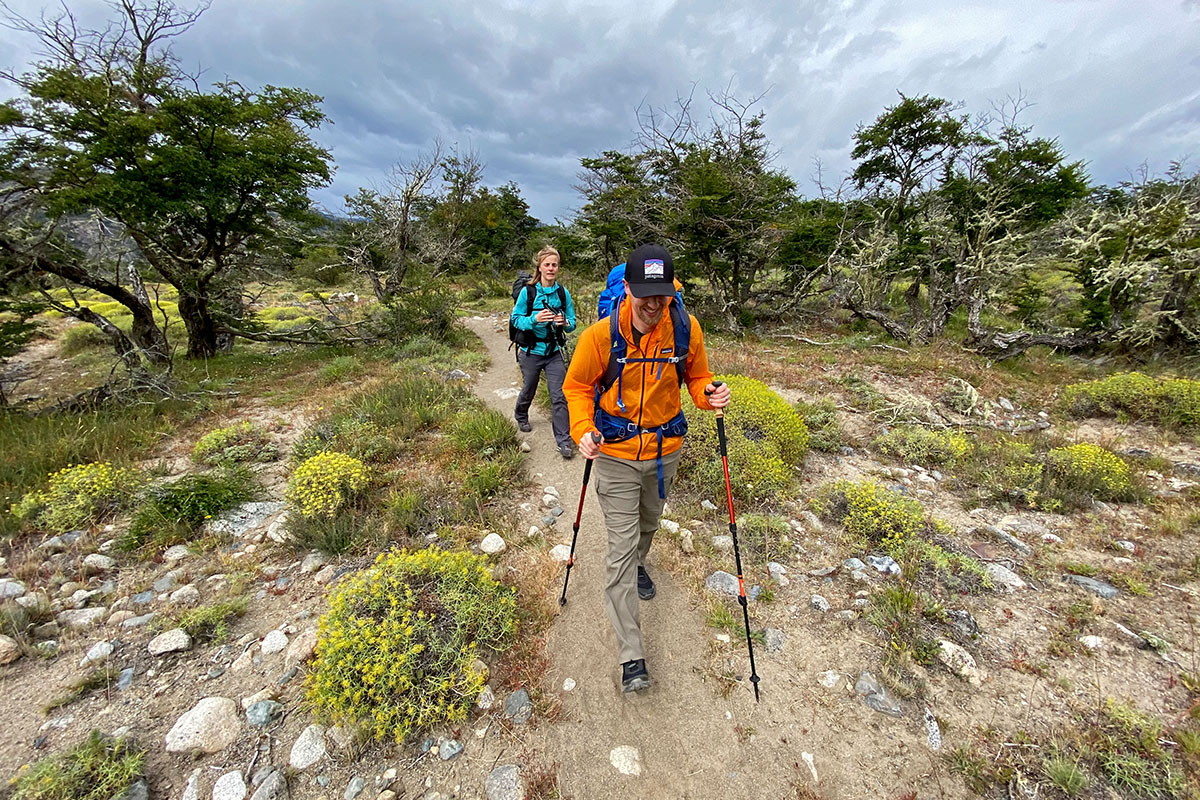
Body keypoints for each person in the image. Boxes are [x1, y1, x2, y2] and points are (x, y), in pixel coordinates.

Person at [563, 244, 731, 692]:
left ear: (671, 292)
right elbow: (577, 386)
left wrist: (708, 393)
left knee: (649, 523)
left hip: (664, 451)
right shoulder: (599, 337)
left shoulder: (685, 328)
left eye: (662, 296)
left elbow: (696, 376)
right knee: (618, 549)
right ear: (629, 291)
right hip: (616, 456)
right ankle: (632, 656)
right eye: (645, 295)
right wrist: (582, 428)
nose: (653, 305)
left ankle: (641, 561)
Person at [510, 246, 578, 459]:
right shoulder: (528, 292)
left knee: (559, 396)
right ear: (539, 267)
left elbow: (572, 323)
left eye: (554, 265)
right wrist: (534, 319)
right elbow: (515, 319)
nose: (551, 268)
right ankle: (521, 414)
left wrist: (564, 322)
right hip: (531, 351)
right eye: (547, 264)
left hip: (554, 350)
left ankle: (564, 440)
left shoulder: (562, 293)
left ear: (558, 267)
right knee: (528, 388)